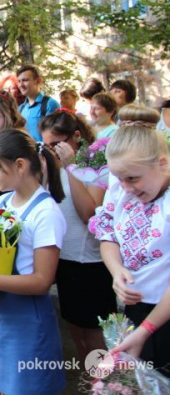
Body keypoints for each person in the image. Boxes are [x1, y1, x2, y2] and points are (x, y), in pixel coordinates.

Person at [0, 128, 67, 394]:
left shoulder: (46, 213)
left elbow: (42, 281)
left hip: (28, 325)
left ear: (20, 165)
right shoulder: (4, 201)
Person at [89, 104, 170, 376]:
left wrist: (148, 329)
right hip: (137, 311)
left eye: (133, 178)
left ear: (163, 162)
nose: (126, 188)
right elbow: (108, 234)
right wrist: (117, 271)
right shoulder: (124, 190)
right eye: (119, 179)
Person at [39, 111, 117, 364]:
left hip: (92, 263)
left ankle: (108, 386)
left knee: (96, 336)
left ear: (75, 137)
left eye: (57, 145)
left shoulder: (96, 165)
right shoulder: (53, 168)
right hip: (65, 260)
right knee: (76, 331)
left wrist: (72, 167)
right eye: (46, 145)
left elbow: (89, 214)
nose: (53, 151)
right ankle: (90, 384)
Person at [16, 65, 60, 141]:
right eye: (19, 81)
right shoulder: (21, 108)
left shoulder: (50, 104)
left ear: (38, 81)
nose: (21, 85)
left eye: (25, 80)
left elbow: (56, 135)